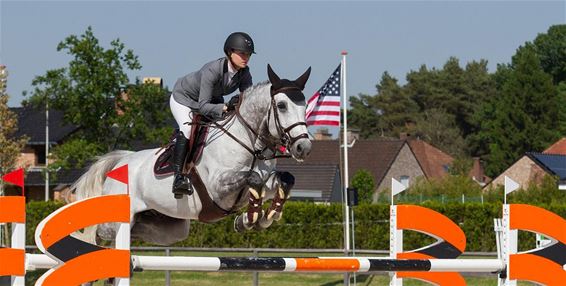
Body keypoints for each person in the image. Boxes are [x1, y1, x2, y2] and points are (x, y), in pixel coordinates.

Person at [169, 32, 255, 197]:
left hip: (210, 100)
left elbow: (248, 97)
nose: (246, 57)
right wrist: (224, 107)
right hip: (184, 98)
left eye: (248, 54)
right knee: (187, 130)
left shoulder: (244, 72)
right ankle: (178, 177)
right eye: (242, 53)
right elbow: (202, 106)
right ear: (230, 52)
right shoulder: (212, 70)